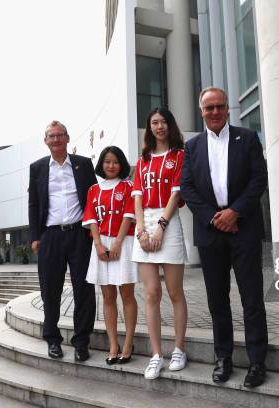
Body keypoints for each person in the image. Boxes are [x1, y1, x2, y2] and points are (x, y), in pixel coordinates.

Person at [180, 87, 268, 388]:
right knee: (217, 300)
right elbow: (187, 188)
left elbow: (259, 180)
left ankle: (257, 362)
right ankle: (223, 358)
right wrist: (212, 217)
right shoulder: (191, 147)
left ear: (228, 109)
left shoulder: (248, 138)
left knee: (251, 297)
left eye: (219, 107)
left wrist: (235, 213)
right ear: (201, 111)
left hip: (243, 227)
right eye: (209, 108)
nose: (215, 112)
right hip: (210, 231)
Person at [28, 120, 97, 362]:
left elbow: (94, 198)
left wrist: (95, 232)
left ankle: (81, 342)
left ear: (67, 138)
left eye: (59, 135)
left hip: (80, 234)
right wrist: (35, 236)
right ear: (45, 141)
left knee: (84, 289)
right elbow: (34, 203)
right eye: (51, 136)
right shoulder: (37, 168)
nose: (56, 140)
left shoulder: (83, 165)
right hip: (51, 236)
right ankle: (52, 339)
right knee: (50, 290)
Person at [132, 107, 188, 380]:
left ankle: (179, 348)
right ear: (149, 127)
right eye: (154, 122)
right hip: (145, 224)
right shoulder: (142, 160)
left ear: (171, 125)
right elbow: (138, 198)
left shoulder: (179, 155)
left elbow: (177, 195)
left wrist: (161, 229)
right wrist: (142, 231)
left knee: (175, 292)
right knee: (152, 293)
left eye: (164, 122)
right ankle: (156, 354)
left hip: (169, 221)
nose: (159, 126)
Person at [82, 146, 138, 365]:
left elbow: (128, 215)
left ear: (121, 164)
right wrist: (98, 244)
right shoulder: (93, 190)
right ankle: (113, 344)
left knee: (127, 294)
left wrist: (117, 243)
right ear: (101, 164)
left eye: (115, 162)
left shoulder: (128, 187)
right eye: (107, 162)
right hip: (101, 244)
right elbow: (91, 219)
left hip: (123, 243)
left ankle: (128, 343)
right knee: (107, 296)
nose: (111, 166)